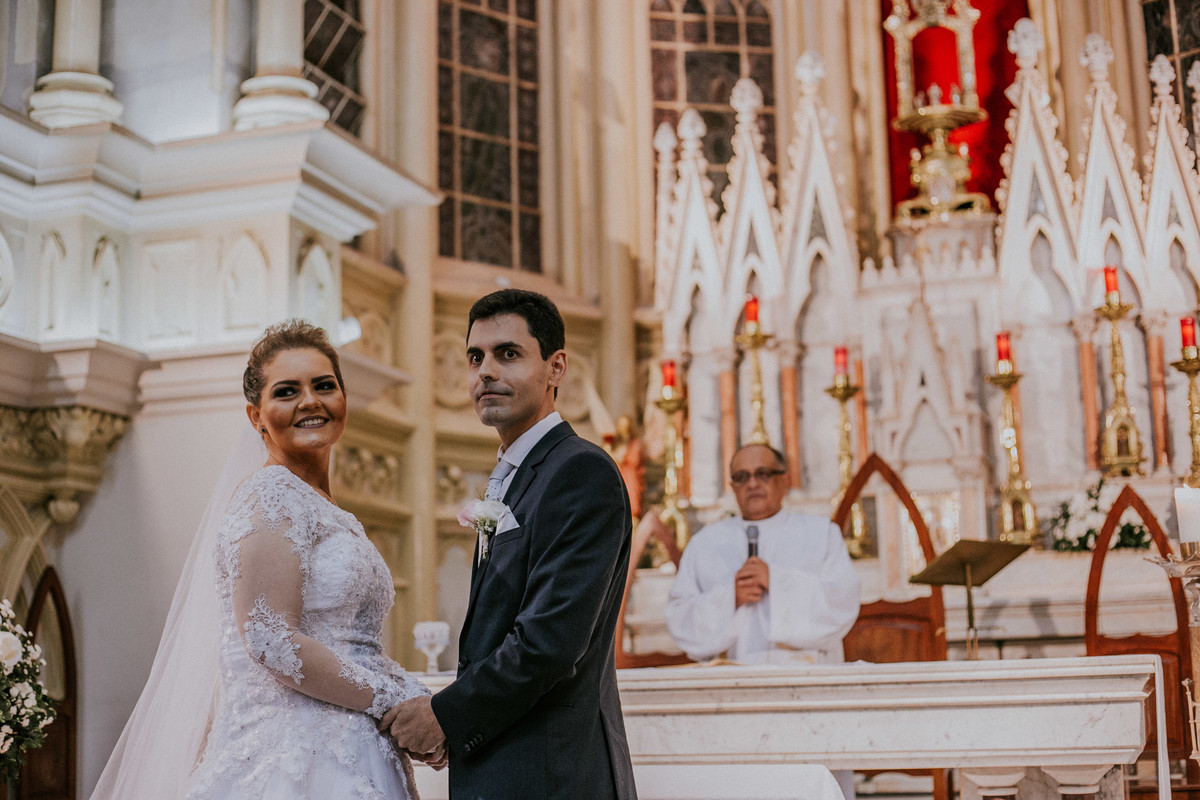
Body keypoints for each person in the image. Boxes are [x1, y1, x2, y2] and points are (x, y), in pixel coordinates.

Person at [91, 320, 432, 799]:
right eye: (287, 391)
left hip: (353, 747)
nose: (310, 401)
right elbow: (271, 638)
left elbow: (355, 647)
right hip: (293, 760)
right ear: (256, 417)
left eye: (324, 385)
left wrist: (424, 703)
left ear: (344, 399)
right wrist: (394, 700)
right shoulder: (270, 495)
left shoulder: (323, 507)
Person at [381, 289, 638, 800]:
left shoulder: (579, 471)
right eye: (475, 357)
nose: (485, 372)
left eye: (509, 354)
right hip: (510, 767)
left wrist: (445, 716)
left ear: (556, 367)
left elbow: (547, 645)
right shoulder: (517, 477)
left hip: (552, 774)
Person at [663, 442, 860, 799]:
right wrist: (729, 598)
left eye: (763, 474)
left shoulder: (821, 535)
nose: (752, 483)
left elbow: (842, 606)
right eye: (741, 477)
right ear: (733, 487)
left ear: (784, 480)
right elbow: (681, 621)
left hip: (805, 699)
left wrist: (777, 582)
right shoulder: (706, 544)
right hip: (732, 702)